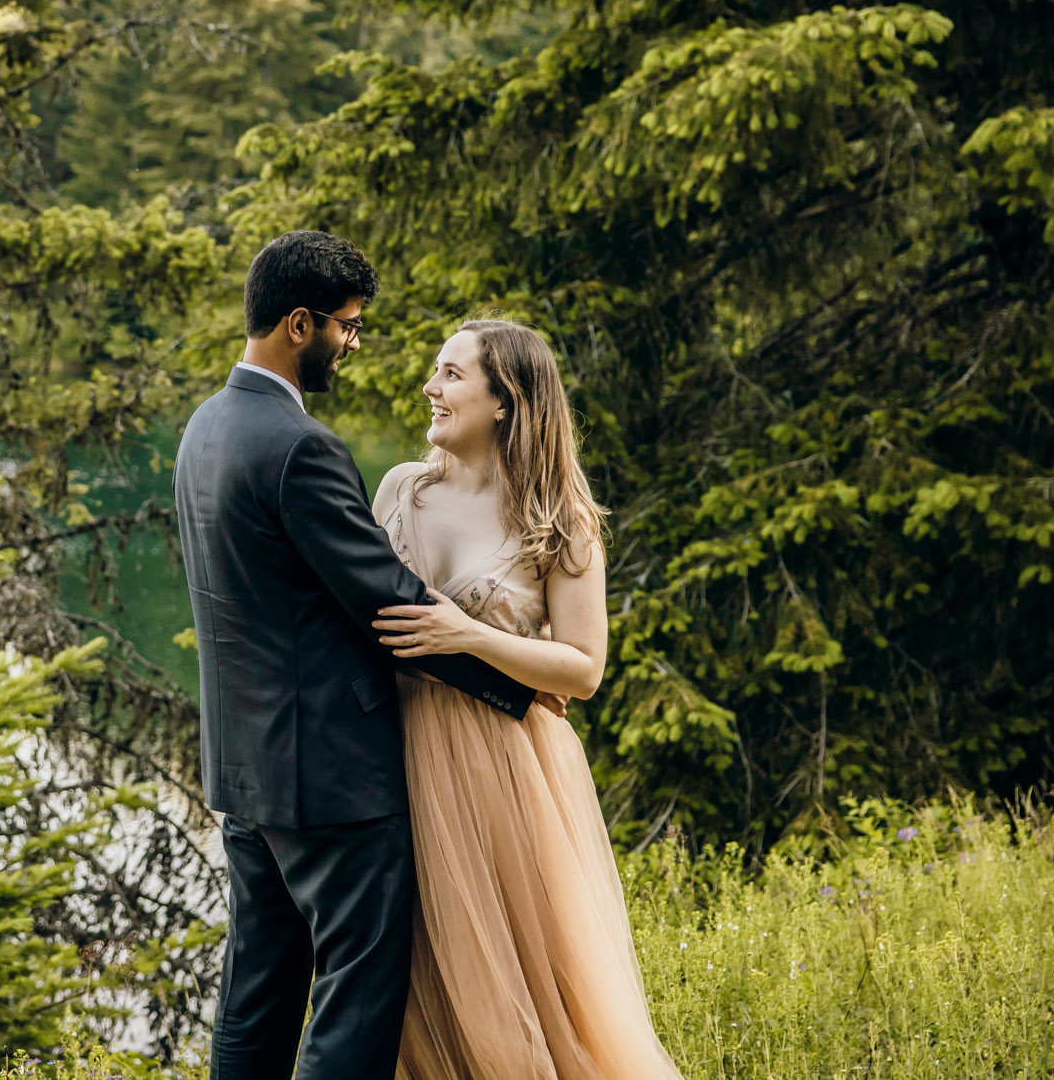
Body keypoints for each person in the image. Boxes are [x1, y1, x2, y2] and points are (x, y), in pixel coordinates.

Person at [173, 231, 547, 1080]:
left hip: (245, 772)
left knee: (257, 997)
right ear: (298, 324)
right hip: (333, 780)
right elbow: (388, 599)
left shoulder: (206, 426)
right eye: (346, 325)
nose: (352, 342)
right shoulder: (301, 447)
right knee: (356, 998)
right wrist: (519, 681)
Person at [372, 318, 683, 1079]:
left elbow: (582, 669)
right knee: (412, 994)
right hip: (394, 759)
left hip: (505, 773)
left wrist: (467, 637)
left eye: (450, 374)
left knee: (527, 997)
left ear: (505, 399)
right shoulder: (399, 489)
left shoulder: (560, 521)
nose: (430, 388)